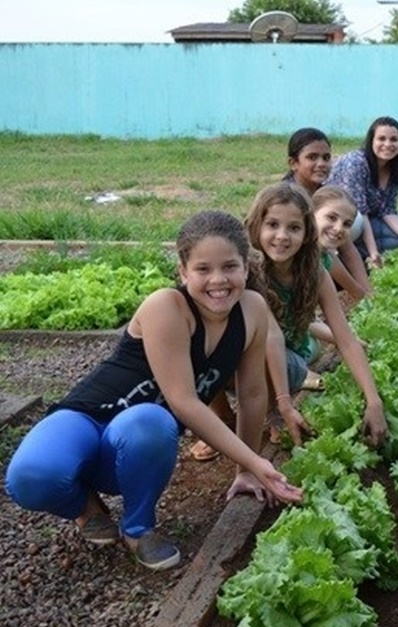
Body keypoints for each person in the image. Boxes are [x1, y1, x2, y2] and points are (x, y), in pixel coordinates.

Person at [5, 211, 303, 571]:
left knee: (150, 421)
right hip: (84, 419)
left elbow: (254, 394)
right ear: (183, 271)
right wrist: (261, 463)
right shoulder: (167, 306)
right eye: (203, 269)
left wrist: (246, 470)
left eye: (229, 267)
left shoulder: (252, 309)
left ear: (245, 266)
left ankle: (138, 528)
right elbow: (184, 402)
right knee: (29, 477)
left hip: (140, 442)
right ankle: (86, 508)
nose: (218, 280)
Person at [245, 183, 388, 448]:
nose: (282, 236)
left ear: (307, 231)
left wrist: (374, 401)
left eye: (294, 228)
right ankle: (238, 416)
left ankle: (272, 405)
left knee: (287, 362)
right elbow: (270, 337)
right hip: (244, 358)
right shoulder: (248, 272)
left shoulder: (316, 272)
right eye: (272, 225)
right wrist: (285, 405)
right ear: (256, 226)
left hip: (286, 358)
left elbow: (345, 340)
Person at [282, 127, 373, 300]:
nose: (322, 163)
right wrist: (358, 292)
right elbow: (321, 254)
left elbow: (347, 249)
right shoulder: (287, 199)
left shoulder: (323, 192)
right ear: (293, 163)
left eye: (326, 157)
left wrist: (368, 292)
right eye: (312, 157)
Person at [327, 116, 398, 261]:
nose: (387, 144)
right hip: (339, 219)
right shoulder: (356, 162)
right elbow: (361, 211)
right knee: (357, 222)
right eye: (381, 139)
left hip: (369, 218)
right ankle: (349, 253)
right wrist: (373, 252)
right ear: (371, 140)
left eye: (393, 139)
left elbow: (388, 210)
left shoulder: (393, 168)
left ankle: (359, 251)